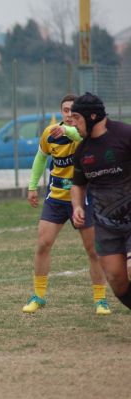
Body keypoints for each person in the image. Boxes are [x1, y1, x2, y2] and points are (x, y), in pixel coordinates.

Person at [22, 94, 111, 315]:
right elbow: (40, 158)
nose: (69, 115)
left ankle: (100, 300)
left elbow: (79, 138)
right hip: (56, 199)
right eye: (65, 110)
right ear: (61, 112)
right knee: (43, 243)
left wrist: (67, 131)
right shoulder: (50, 134)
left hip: (82, 199)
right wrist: (32, 186)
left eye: (73, 111)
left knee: (93, 251)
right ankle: (39, 296)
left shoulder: (84, 135)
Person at [70, 92, 131, 317]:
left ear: (92, 116)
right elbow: (77, 185)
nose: (71, 122)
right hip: (106, 225)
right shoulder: (82, 151)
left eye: (76, 117)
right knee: (117, 280)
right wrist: (77, 206)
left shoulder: (125, 135)